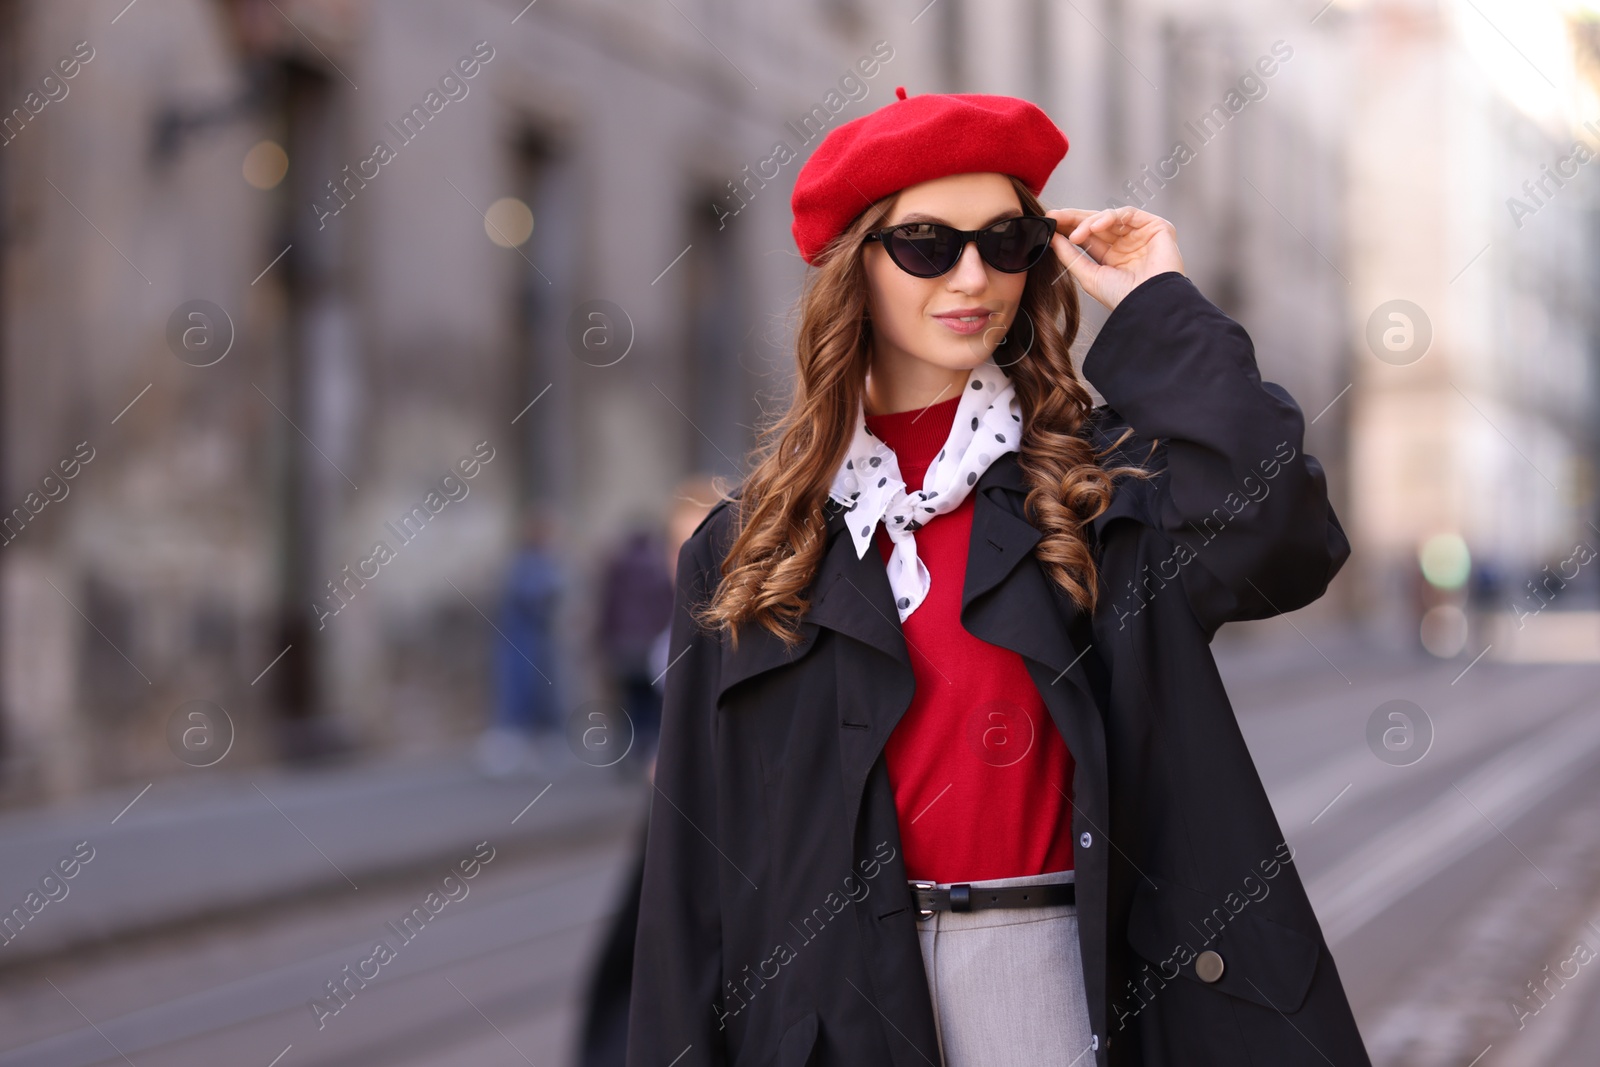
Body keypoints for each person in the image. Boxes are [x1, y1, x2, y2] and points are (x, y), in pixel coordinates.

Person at [627, 86, 1369, 1066]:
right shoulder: (748, 546)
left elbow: (1280, 528)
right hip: (831, 1022)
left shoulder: (1097, 496)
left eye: (1007, 240)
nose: (972, 274)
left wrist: (1156, 303)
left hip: (1058, 989)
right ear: (857, 264)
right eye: (928, 243)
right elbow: (690, 886)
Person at [475, 502, 566, 777]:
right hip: (521, 642)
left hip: (533, 642)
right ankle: (510, 746)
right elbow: (535, 594)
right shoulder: (527, 563)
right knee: (518, 694)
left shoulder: (536, 561)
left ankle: (533, 743)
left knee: (537, 694)